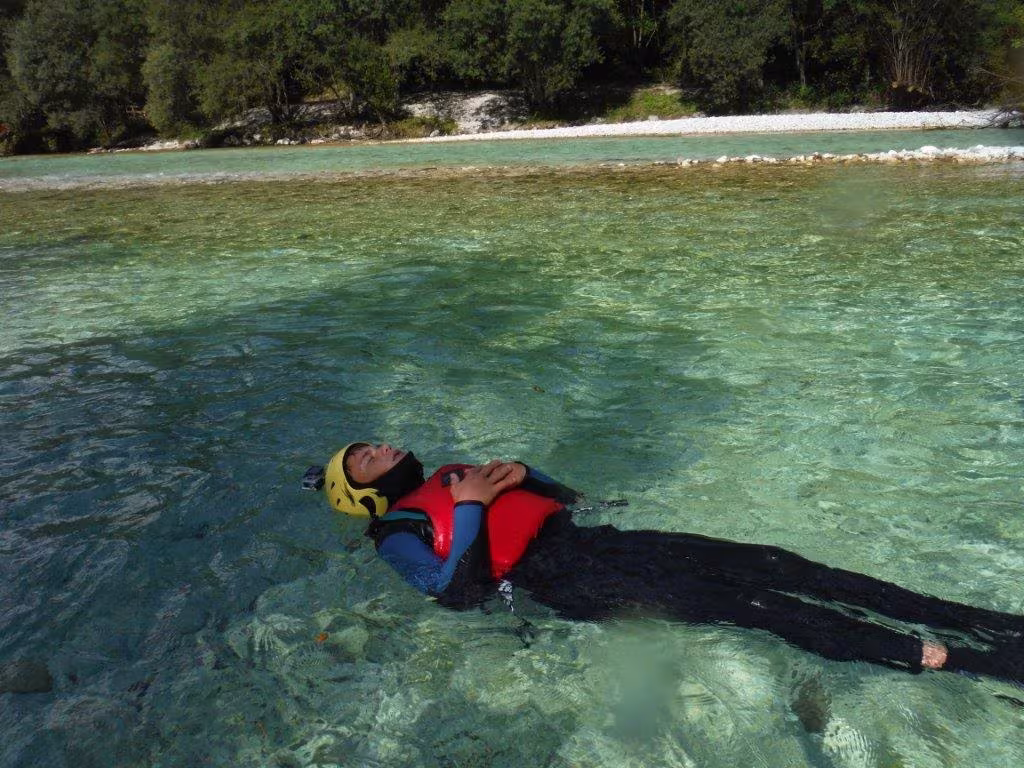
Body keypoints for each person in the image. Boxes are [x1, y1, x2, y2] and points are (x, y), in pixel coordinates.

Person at [315, 441, 1024, 683]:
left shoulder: (452, 472)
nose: (380, 449)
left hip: (602, 546)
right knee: (759, 608)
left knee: (784, 566)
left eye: (373, 444)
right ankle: (962, 660)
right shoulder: (396, 536)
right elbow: (458, 594)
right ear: (361, 493)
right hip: (568, 581)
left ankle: (976, 620)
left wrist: (532, 474)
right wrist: (469, 506)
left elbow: (573, 501)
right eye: (364, 457)